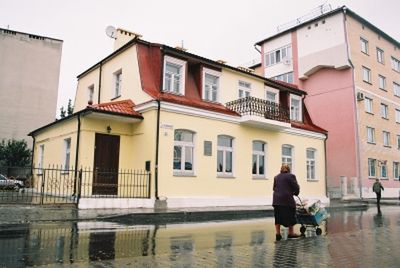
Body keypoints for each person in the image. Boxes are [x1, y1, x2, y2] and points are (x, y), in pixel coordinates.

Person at [273, 164, 301, 241]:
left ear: (281, 169)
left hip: (276, 200)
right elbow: (296, 187)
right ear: (288, 170)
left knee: (277, 217)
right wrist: (296, 193)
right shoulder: (291, 176)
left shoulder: (276, 177)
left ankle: (278, 234)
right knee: (290, 214)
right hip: (287, 199)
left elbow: (274, 188)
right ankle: (291, 233)